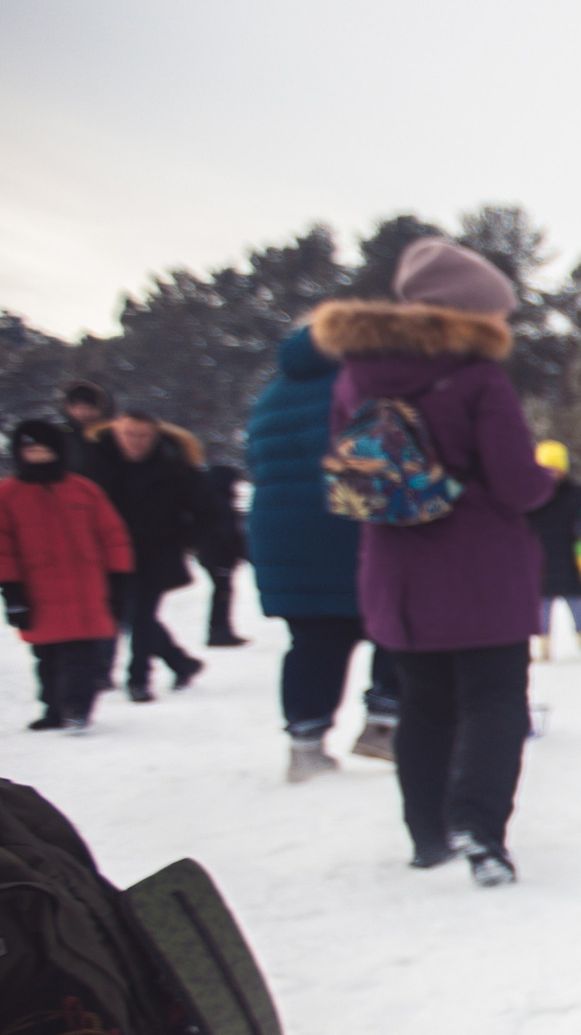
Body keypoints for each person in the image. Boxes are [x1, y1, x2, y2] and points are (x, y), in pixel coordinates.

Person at [314, 235, 554, 886]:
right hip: (481, 568)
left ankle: (427, 835)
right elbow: (513, 482)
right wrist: (545, 484)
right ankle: (479, 826)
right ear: (469, 312)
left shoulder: (354, 375)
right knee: (496, 699)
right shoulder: (476, 376)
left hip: (397, 572)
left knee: (423, 703)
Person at [244, 319, 398, 780]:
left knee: (312, 641)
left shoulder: (270, 395)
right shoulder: (362, 386)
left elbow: (256, 461)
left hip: (283, 533)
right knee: (393, 622)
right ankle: (384, 724)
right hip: (349, 525)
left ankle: (305, 745)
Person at [0, 418, 130, 732]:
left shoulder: (84, 490)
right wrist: (13, 593)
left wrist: (119, 577)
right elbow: (4, 549)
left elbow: (113, 536)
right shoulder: (8, 495)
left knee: (81, 655)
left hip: (86, 590)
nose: (40, 457)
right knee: (46, 657)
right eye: (32, 451)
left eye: (45, 450)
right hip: (37, 593)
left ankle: (77, 708)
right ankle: (54, 708)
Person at [90, 411, 205, 701]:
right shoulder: (93, 463)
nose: (136, 442)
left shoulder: (173, 468)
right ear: (115, 432)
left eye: (143, 436)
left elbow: (206, 511)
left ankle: (138, 679)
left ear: (155, 436)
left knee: (140, 617)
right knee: (116, 614)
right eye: (129, 434)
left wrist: (181, 541)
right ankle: (180, 662)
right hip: (105, 553)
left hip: (154, 554)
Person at [528, 441, 581, 660]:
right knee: (542, 604)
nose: (551, 474)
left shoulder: (579, 494)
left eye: (555, 468)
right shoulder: (529, 496)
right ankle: (544, 645)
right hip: (540, 557)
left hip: (574, 557)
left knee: (577, 601)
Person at [197, 464, 249, 646]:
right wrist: (240, 551)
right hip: (220, 556)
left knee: (222, 592)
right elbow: (227, 531)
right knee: (223, 593)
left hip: (212, 555)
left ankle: (220, 630)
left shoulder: (209, 499)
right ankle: (219, 632)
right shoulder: (220, 502)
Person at [58, 380, 115, 473]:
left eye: (89, 407)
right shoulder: (61, 435)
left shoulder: (111, 435)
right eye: (80, 408)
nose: (85, 413)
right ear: (69, 408)